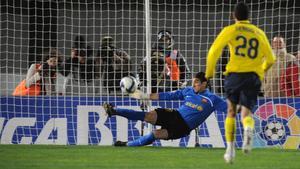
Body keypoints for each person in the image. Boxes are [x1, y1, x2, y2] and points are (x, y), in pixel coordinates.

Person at [205, 2, 276, 163]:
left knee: (231, 111)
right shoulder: (258, 32)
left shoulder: (230, 30)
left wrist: (210, 73)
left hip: (235, 76)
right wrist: (261, 71)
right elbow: (271, 58)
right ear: (249, 16)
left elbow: (213, 52)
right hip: (253, 77)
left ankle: (230, 151)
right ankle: (248, 128)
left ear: (234, 16)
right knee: (246, 113)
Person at [103, 72, 227, 147]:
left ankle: (126, 145)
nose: (194, 84)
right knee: (147, 116)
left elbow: (230, 109)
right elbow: (167, 95)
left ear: (205, 84)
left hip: (183, 128)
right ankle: (114, 111)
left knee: (155, 134)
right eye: (193, 82)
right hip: (174, 115)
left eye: (197, 82)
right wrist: (143, 95)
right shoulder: (188, 91)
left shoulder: (213, 99)